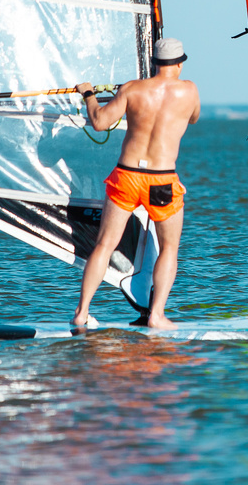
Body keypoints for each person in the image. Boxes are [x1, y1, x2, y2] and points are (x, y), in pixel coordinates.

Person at [71, 38, 200, 330]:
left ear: (153, 63)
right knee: (169, 249)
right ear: (180, 64)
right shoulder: (190, 91)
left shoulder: (131, 89)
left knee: (104, 244)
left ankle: (81, 312)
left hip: (127, 176)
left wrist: (89, 94)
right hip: (161, 180)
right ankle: (156, 315)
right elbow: (193, 118)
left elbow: (100, 122)